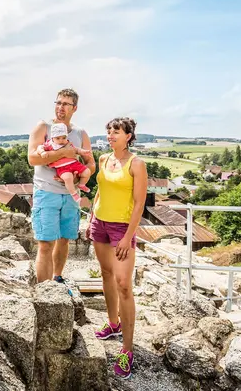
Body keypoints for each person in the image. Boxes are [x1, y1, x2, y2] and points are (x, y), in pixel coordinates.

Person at [89, 117, 148, 379]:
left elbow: (139, 205)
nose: (111, 135)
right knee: (106, 274)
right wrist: (91, 216)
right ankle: (113, 323)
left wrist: (127, 237)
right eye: (109, 131)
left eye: (116, 131)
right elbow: (99, 191)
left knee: (124, 283)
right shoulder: (103, 159)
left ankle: (127, 349)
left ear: (128, 136)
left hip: (121, 228)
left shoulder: (137, 164)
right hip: (99, 223)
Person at [28, 89, 96, 283]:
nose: (60, 107)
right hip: (46, 192)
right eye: (58, 103)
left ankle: (57, 279)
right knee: (45, 244)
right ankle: (44, 290)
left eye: (66, 104)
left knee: (64, 240)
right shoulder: (43, 127)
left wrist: (77, 179)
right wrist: (63, 154)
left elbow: (91, 164)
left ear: (74, 108)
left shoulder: (80, 133)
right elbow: (32, 158)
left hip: (70, 195)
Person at [36, 122, 92, 201]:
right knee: (68, 178)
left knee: (87, 172)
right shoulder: (50, 145)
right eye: (58, 138)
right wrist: (42, 152)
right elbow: (39, 147)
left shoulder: (68, 143)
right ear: (53, 138)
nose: (61, 140)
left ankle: (82, 184)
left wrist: (82, 152)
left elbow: (76, 150)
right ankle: (74, 194)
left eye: (63, 138)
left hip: (74, 164)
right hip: (62, 168)